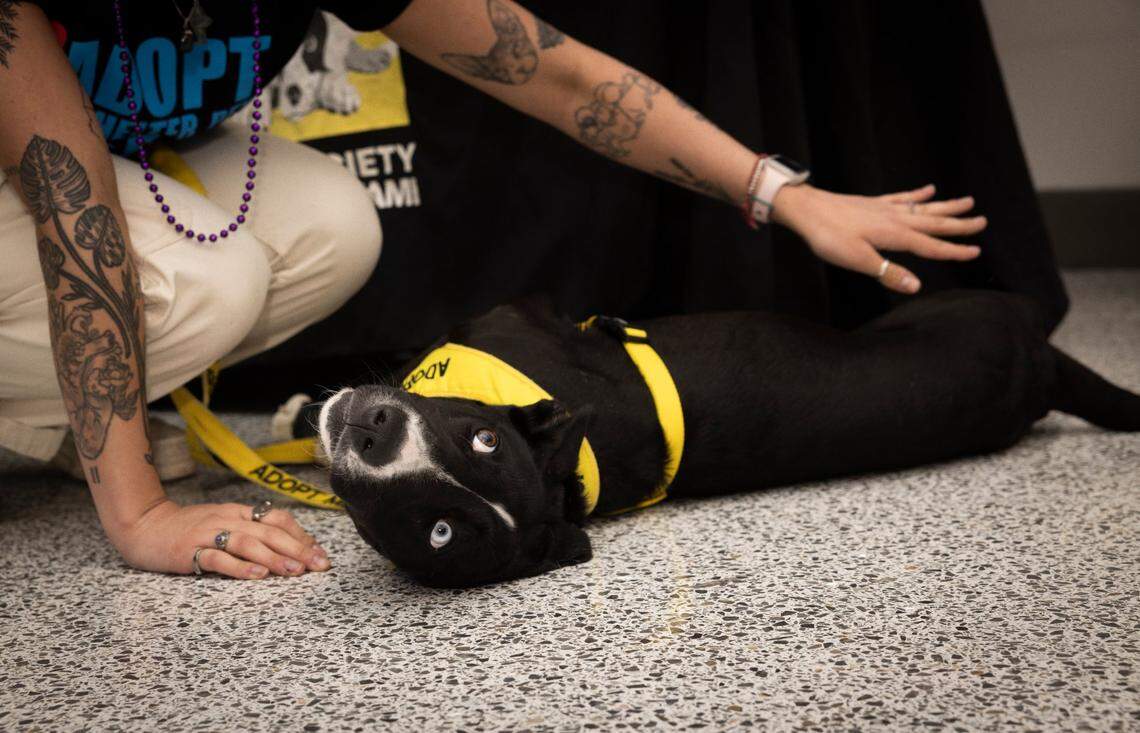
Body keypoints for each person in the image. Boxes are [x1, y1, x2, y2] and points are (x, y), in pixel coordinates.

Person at [0, 0, 986, 579]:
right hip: (34, 174)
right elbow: (68, 197)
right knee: (212, 279)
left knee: (331, 231)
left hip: (91, 164)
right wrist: (136, 517)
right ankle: (65, 440)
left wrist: (781, 192)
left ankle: (49, 433)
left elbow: (553, 76)